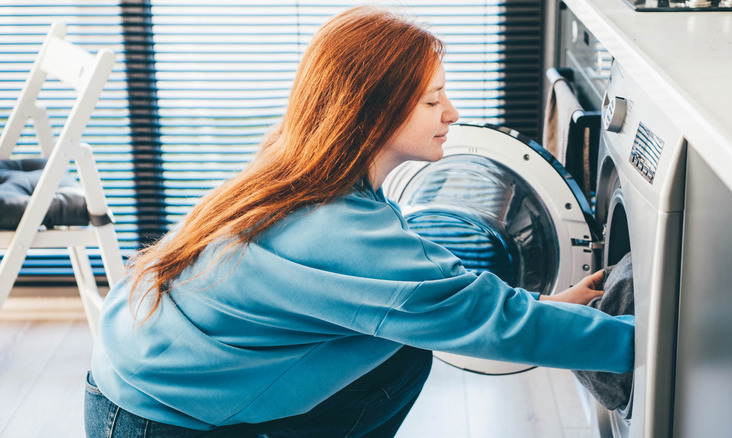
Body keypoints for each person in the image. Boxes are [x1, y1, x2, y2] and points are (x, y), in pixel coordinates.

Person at [84, 5, 634, 438]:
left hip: (135, 387)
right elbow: (481, 318)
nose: (453, 114)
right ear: (372, 113)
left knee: (400, 347)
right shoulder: (338, 229)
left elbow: (443, 302)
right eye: (432, 100)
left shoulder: (294, 172)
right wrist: (648, 343)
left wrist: (549, 306)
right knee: (403, 352)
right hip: (158, 424)